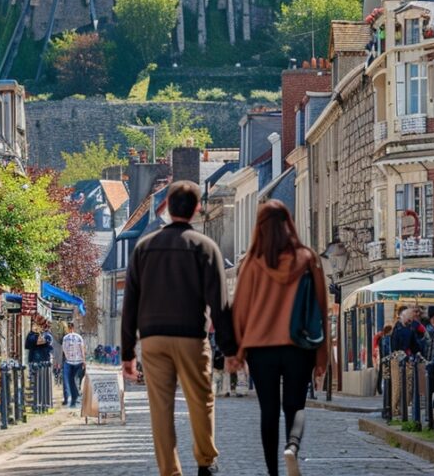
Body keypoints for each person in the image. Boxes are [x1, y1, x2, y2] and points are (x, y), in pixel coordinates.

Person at [121, 180, 233, 476]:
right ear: (197, 209)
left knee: (160, 408)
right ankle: (206, 461)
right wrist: (231, 348)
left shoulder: (144, 248)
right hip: (191, 336)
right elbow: (219, 304)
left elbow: (130, 304)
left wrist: (127, 354)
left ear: (167, 208)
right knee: (201, 400)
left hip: (153, 338)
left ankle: (169, 470)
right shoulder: (205, 247)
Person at [230, 200, 329, 476]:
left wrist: (237, 352)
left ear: (259, 228)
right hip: (300, 345)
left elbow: (240, 310)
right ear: (289, 223)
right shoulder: (308, 259)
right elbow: (321, 309)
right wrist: (323, 355)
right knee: (296, 404)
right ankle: (292, 447)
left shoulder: (251, 263)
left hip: (261, 349)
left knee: (269, 410)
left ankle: (273, 472)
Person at [61, 321, 87, 408]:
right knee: (76, 380)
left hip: (68, 362)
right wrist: (84, 361)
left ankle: (71, 399)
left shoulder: (65, 338)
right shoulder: (79, 337)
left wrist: (68, 357)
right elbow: (82, 349)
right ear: (74, 327)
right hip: (78, 361)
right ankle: (76, 399)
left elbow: (64, 349)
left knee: (68, 381)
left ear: (68, 328)